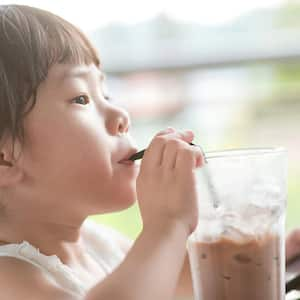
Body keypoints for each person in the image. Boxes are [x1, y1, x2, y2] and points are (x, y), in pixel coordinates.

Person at [0, 4, 204, 300]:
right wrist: (167, 225)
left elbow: (185, 287)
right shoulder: (9, 279)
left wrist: (261, 252)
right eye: (81, 98)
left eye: (105, 94)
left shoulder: (100, 243)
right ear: (5, 159)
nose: (121, 114)